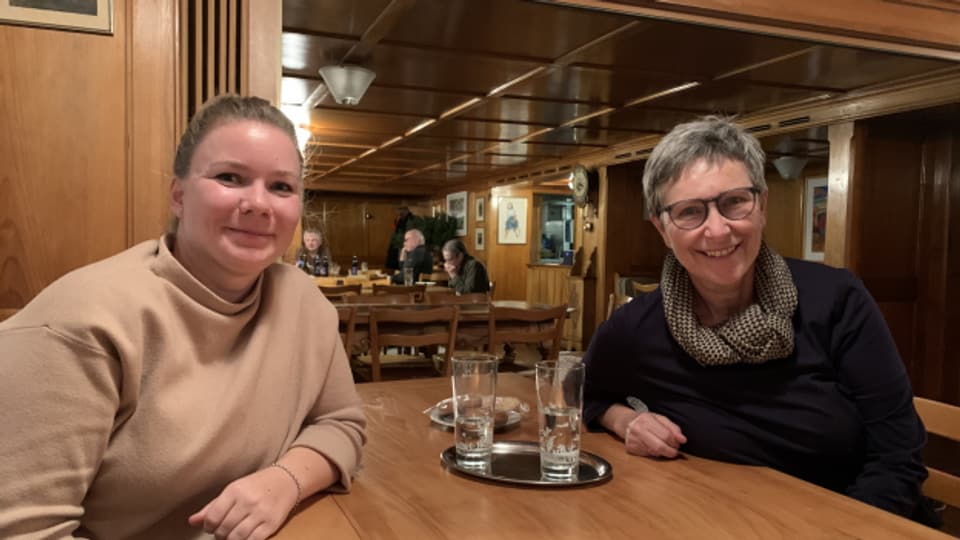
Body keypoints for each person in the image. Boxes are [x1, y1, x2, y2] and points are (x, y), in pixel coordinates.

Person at [0, 95, 366, 539]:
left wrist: (283, 481)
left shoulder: (304, 303)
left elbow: (341, 423)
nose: (258, 203)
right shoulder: (81, 323)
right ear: (178, 195)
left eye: (281, 187)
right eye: (230, 178)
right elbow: (24, 530)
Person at [582, 115, 938, 526]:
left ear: (762, 205)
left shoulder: (837, 300)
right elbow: (585, 394)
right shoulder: (636, 327)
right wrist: (626, 421)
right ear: (662, 229)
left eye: (734, 202)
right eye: (689, 212)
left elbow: (898, 457)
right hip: (714, 521)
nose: (717, 230)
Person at [385, 205, 414, 271]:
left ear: (406, 211)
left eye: (401, 211)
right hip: (397, 242)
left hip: (405, 243)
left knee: (402, 261)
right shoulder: (400, 219)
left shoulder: (411, 219)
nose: (400, 213)